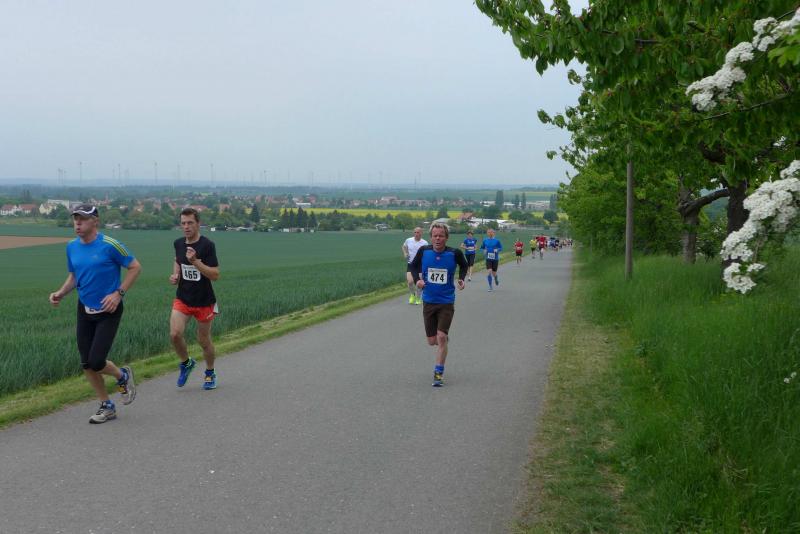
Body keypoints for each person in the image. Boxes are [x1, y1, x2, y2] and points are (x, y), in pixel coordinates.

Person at [49, 204, 141, 424]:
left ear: (95, 221)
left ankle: (122, 376)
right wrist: (61, 292)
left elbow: (135, 267)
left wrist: (118, 293)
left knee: (97, 360)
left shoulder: (110, 245)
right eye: (75, 219)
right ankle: (106, 405)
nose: (78, 223)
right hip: (84, 309)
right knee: (86, 363)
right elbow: (75, 276)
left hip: (109, 310)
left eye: (82, 219)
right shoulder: (71, 247)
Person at [409, 222, 467, 387]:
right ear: (431, 237)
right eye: (435, 236)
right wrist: (417, 280)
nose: (438, 238)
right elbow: (413, 266)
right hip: (428, 301)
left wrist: (461, 279)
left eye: (441, 236)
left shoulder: (454, 253)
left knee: (441, 338)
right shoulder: (424, 251)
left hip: (446, 301)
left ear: (446, 237)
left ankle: (438, 373)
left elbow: (464, 265)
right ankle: (443, 339)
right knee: (432, 341)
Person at [170, 207, 221, 390]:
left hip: (204, 301)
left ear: (198, 223)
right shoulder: (178, 243)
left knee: (203, 341)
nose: (186, 226)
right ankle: (186, 363)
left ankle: (210, 372)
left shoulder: (207, 245)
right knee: (175, 334)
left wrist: (196, 262)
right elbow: (177, 260)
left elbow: (215, 275)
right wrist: (175, 275)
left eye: (190, 223)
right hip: (183, 298)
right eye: (183, 223)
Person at [402, 227, 428, 305]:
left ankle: (418, 298)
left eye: (418, 232)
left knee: (419, 283)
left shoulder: (424, 243)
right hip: (411, 264)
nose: (416, 234)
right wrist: (405, 253)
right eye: (415, 232)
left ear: (421, 233)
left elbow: (427, 253)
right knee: (410, 281)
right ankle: (412, 295)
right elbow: (404, 246)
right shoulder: (408, 240)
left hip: (420, 265)